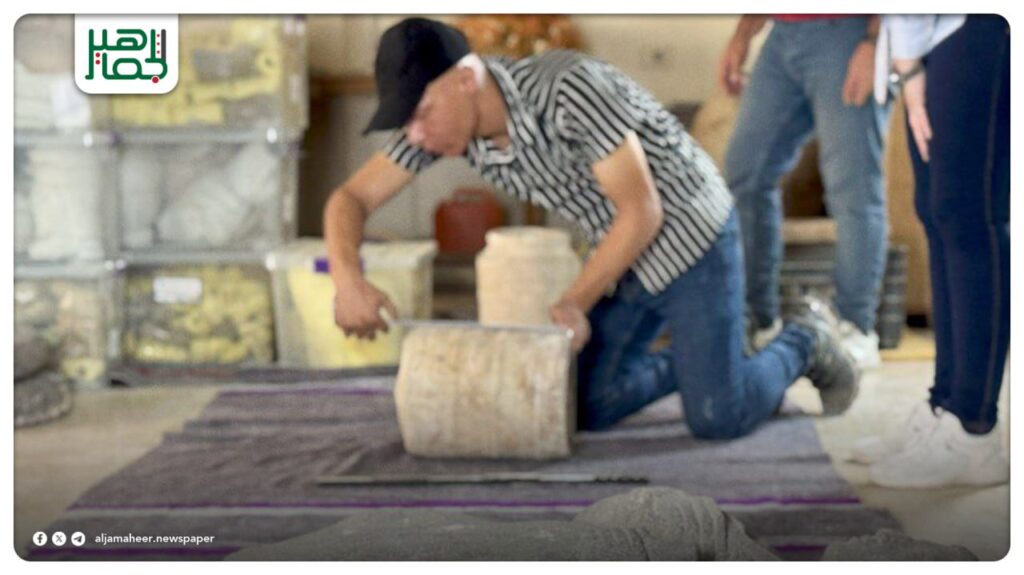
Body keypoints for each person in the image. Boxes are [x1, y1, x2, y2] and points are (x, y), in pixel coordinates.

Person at [323, 18, 860, 440]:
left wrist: (573, 301)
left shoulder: (568, 89)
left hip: (692, 238)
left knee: (720, 417)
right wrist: (347, 280)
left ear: (466, 80)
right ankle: (711, 358)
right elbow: (350, 199)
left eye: (421, 113)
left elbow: (643, 211)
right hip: (624, 252)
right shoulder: (441, 129)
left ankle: (805, 340)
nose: (415, 134)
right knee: (580, 408)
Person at [850, 15, 1010, 488]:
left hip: (974, 23)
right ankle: (945, 403)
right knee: (939, 214)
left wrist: (909, 66)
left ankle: (973, 429)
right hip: (931, 35)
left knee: (968, 216)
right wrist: (908, 62)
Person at [719, 15, 891, 369]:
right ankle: (758, 321)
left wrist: (876, 41)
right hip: (782, 31)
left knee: (853, 188)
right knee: (744, 172)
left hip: (850, 30)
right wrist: (742, 34)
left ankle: (856, 327)